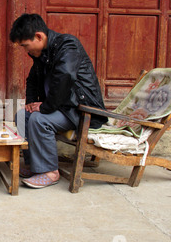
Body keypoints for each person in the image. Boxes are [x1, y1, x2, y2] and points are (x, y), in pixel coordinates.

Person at [10, 13, 107, 189]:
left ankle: (50, 172)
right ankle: (35, 166)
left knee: (39, 120)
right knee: (22, 116)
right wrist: (32, 104)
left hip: (80, 110)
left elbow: (66, 75)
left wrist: (46, 107)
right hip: (59, 108)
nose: (26, 50)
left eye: (26, 45)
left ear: (39, 36)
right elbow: (32, 80)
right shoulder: (41, 54)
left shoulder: (68, 45)